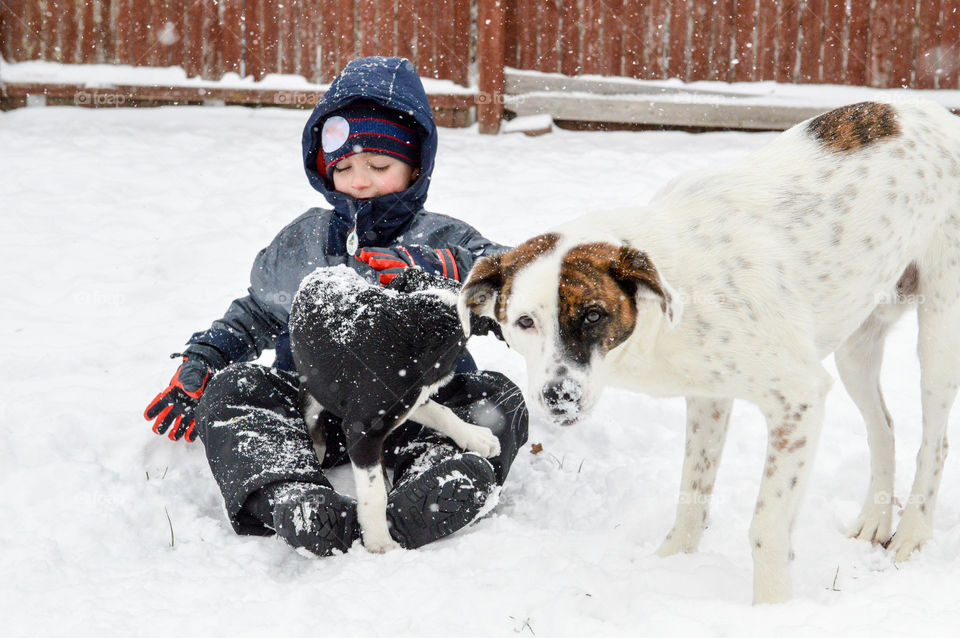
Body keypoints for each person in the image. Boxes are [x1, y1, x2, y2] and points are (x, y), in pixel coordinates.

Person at [143, 56, 528, 556]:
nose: (360, 181)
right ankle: (293, 496)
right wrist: (204, 360)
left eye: (379, 166)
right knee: (235, 392)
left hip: (418, 408)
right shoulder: (306, 239)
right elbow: (259, 311)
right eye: (343, 167)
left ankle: (433, 487)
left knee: (498, 398)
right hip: (315, 409)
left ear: (416, 165)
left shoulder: (444, 238)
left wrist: (450, 267)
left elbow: (517, 287)